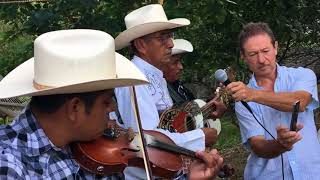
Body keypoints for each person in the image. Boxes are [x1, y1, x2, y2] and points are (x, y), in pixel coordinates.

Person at [0, 29, 223, 179]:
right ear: (75, 109)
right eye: (107, 101)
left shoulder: (96, 151)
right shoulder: (10, 164)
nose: (113, 110)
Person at [113, 4, 220, 179]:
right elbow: (148, 140)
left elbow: (168, 127)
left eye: (170, 36)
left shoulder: (155, 75)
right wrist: (199, 137)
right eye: (162, 38)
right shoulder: (134, 79)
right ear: (141, 45)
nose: (170, 43)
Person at [226, 22, 320, 179]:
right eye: (253, 54)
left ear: (276, 47)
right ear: (243, 57)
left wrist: (252, 95)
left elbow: (300, 102)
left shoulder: (303, 75)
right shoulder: (242, 102)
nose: (261, 59)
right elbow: (258, 146)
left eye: (265, 51)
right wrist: (280, 144)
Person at [162, 39, 227, 134]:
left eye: (180, 61)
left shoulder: (181, 89)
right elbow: (174, 127)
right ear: (162, 64)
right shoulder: (161, 90)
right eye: (175, 62)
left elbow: (192, 118)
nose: (181, 67)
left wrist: (211, 108)